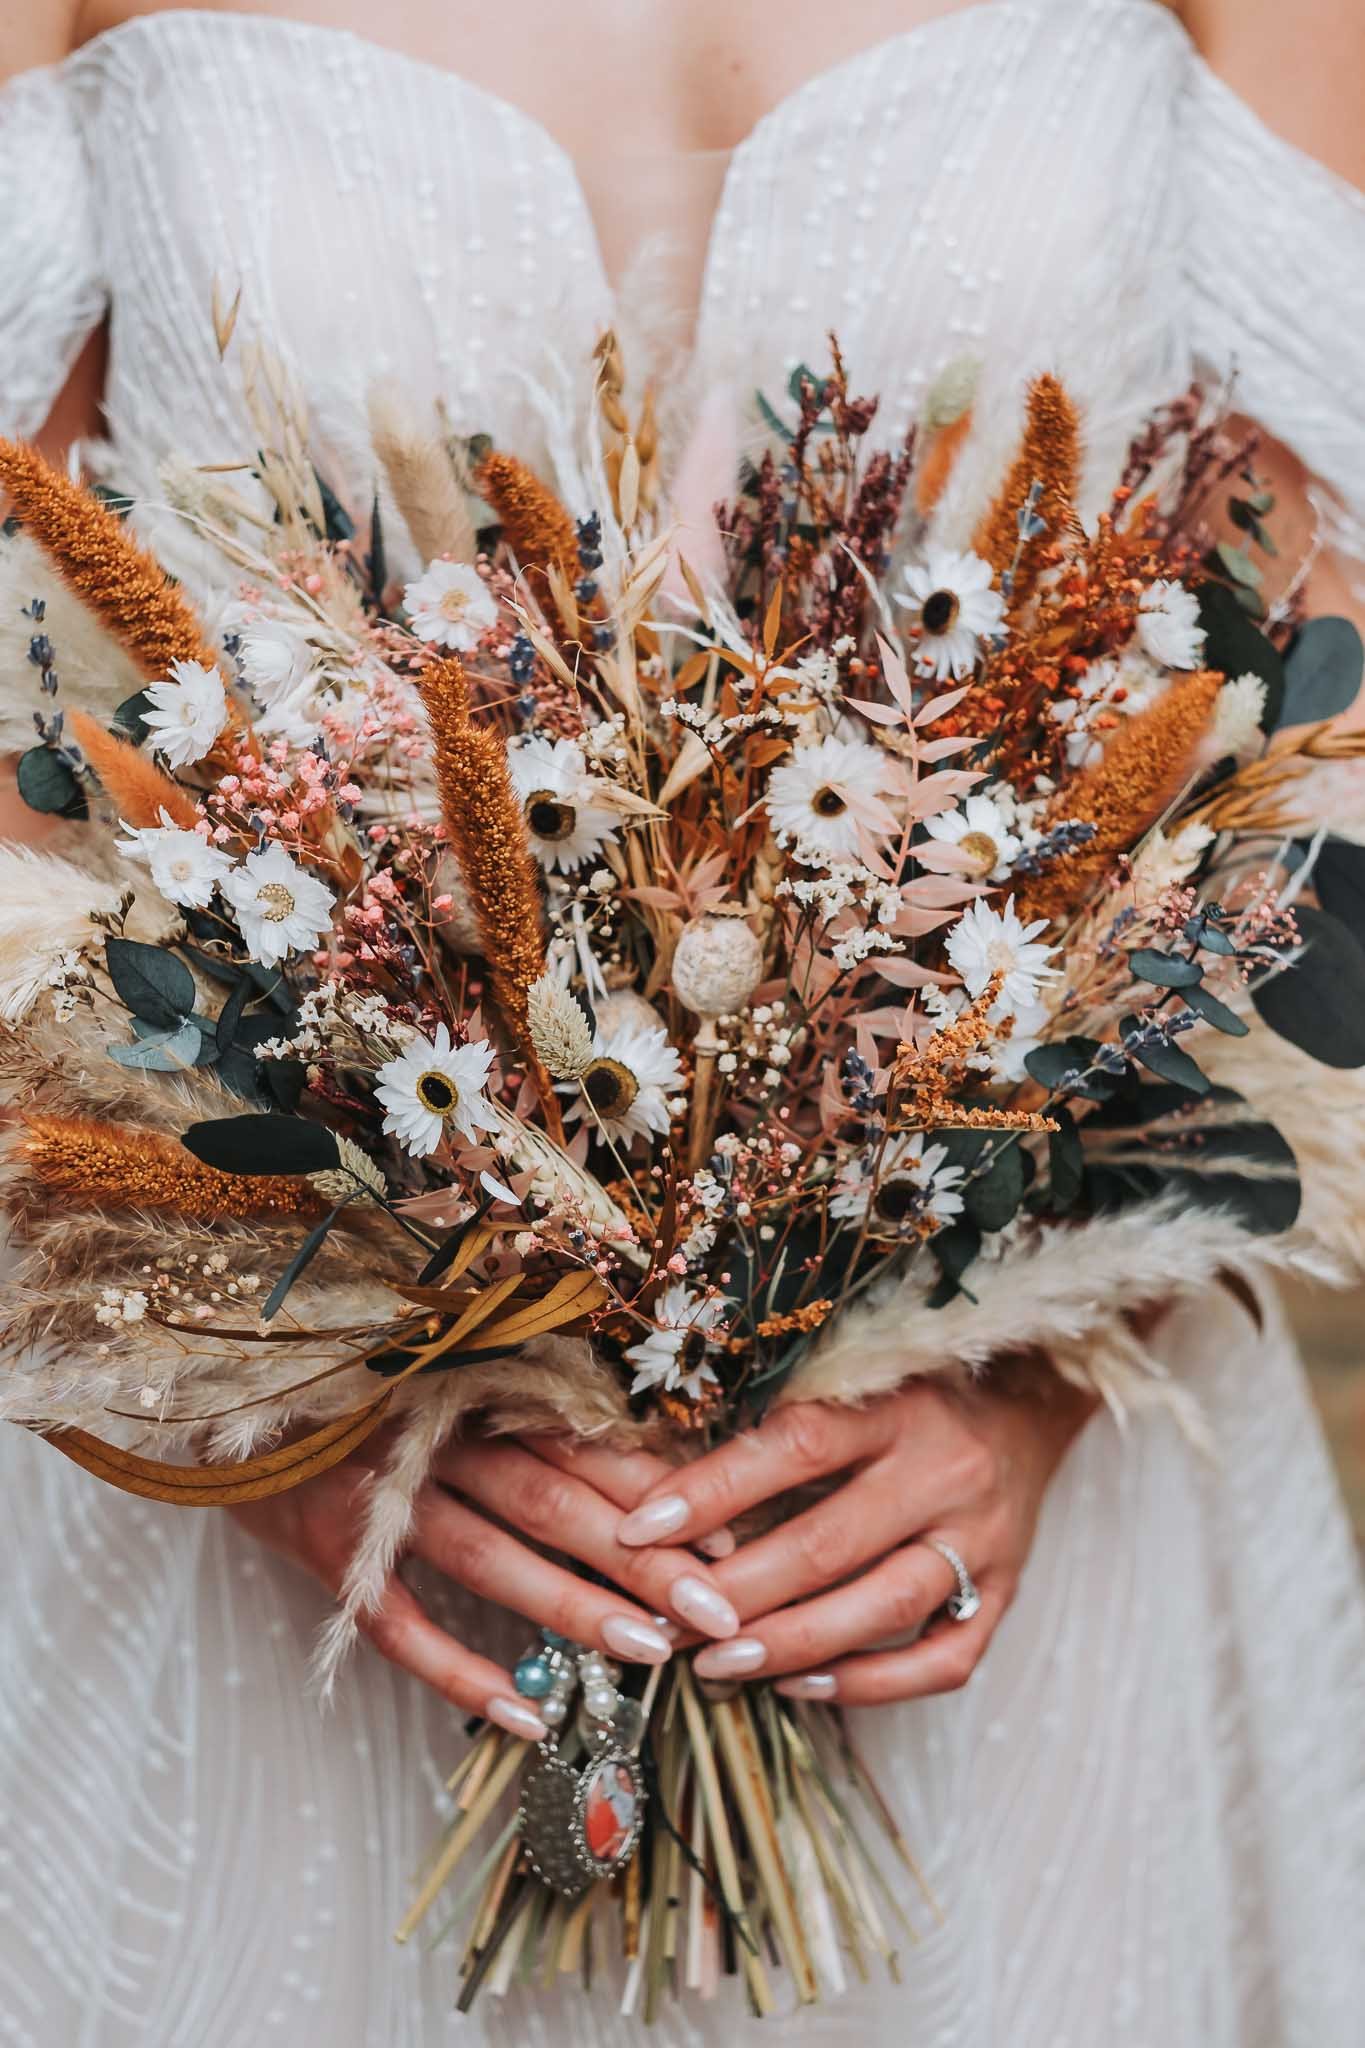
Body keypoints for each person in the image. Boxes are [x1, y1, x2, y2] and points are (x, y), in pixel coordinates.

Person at [1, 2, 1362, 2040]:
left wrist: (1044, 1366)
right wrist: (237, 1412)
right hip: (255, 1528)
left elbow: (1301, 710)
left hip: (1001, 1529)